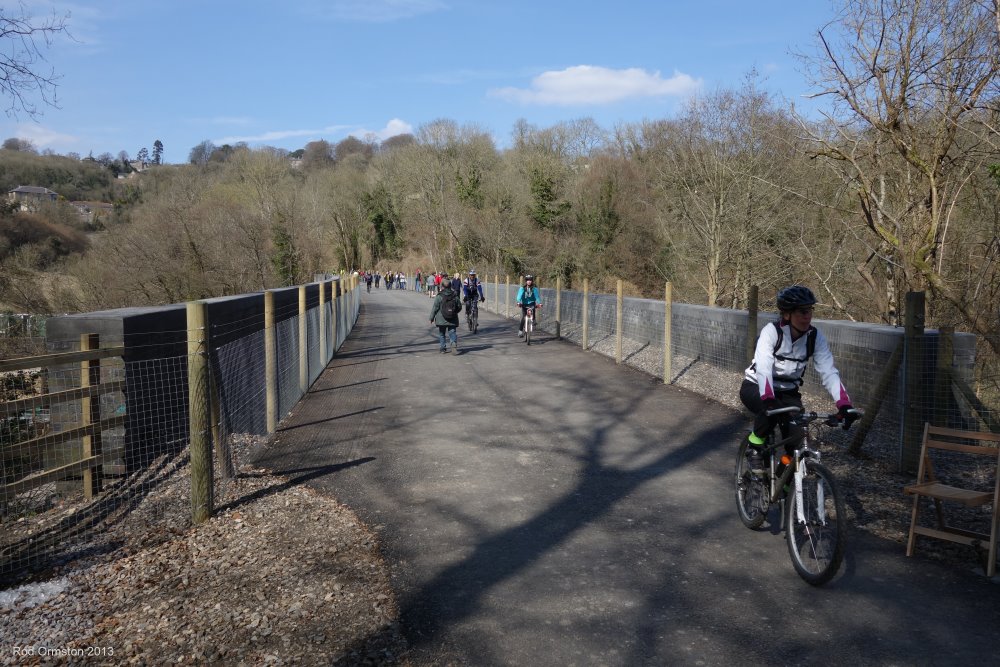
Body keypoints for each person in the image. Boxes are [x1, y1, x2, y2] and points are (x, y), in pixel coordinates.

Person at [740, 285, 856, 473]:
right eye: (802, 311)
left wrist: (844, 404)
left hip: (788, 393)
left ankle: (786, 492)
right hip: (756, 387)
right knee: (772, 412)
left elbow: (828, 371)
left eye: (810, 310)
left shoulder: (814, 337)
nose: (807, 316)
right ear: (787, 314)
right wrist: (768, 398)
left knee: (797, 447)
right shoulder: (772, 332)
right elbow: (763, 367)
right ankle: (754, 446)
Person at [430, 277, 461, 353]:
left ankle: (443, 348)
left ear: (442, 286)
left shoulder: (439, 296)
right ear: (450, 286)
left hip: (441, 319)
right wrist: (454, 312)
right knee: (452, 332)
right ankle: (453, 344)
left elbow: (435, 308)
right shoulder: (455, 295)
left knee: (442, 333)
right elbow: (459, 306)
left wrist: (431, 317)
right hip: (452, 318)